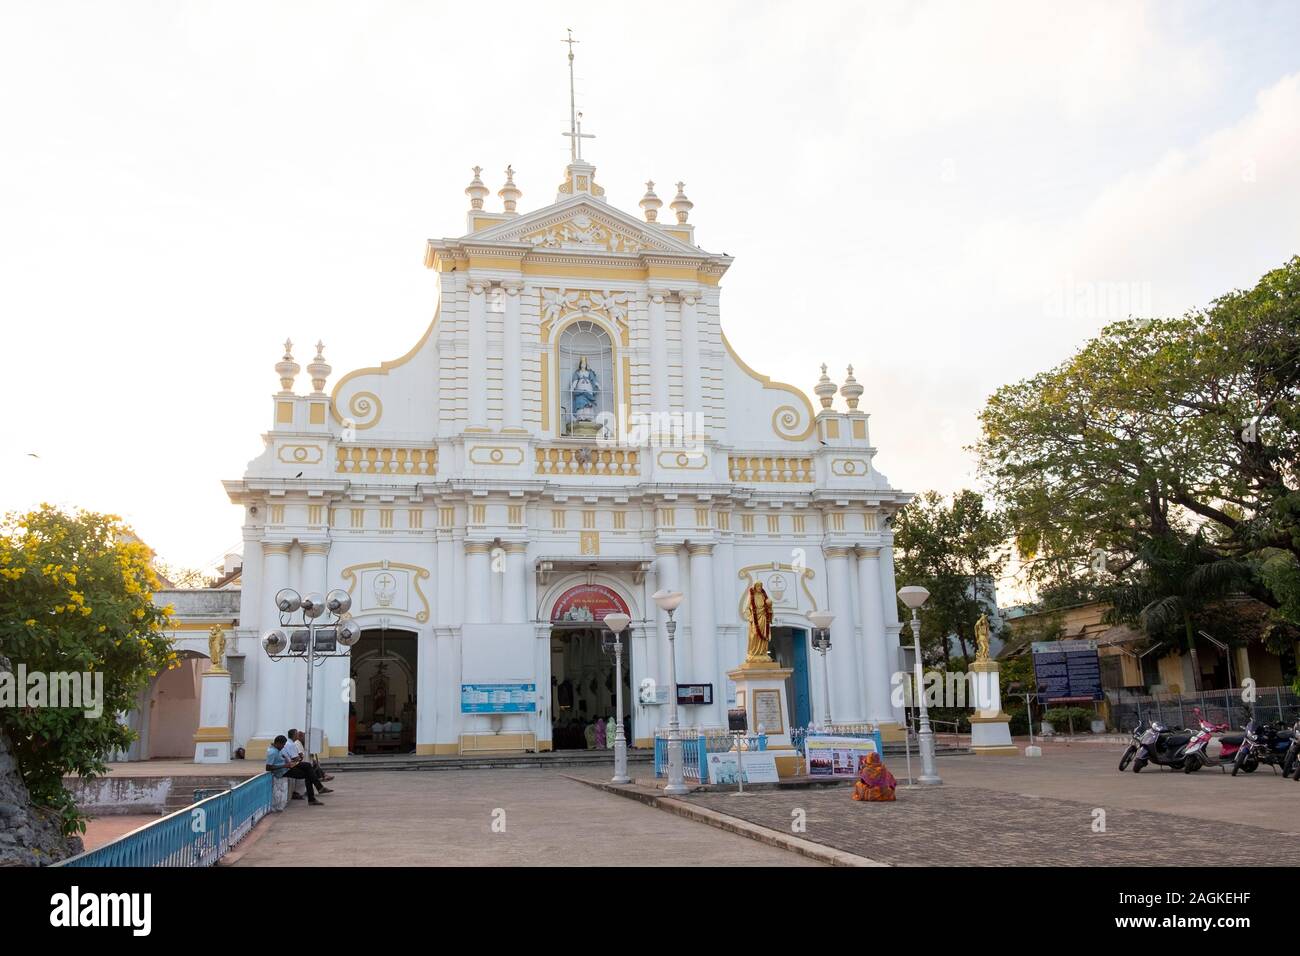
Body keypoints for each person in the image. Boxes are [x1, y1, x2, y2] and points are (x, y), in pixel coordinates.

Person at [266, 734, 324, 806]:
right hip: (283, 771)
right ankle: (314, 796)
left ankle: (318, 790)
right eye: (283, 745)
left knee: (308, 765)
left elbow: (282, 758)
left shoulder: (277, 749)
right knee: (308, 775)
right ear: (278, 743)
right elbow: (268, 768)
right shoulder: (272, 752)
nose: (283, 747)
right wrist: (284, 765)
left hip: (287, 766)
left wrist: (287, 761)